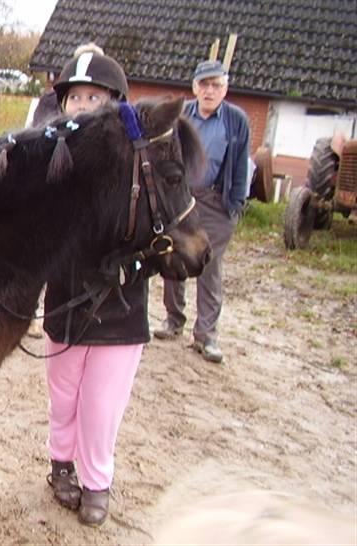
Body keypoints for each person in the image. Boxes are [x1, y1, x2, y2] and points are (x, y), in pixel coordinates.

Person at [42, 43, 137, 527]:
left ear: (115, 102)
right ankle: (61, 465)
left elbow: (162, 232)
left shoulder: (139, 166)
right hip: (66, 300)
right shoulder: (47, 162)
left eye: (93, 97)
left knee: (101, 404)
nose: (82, 107)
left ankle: (97, 481)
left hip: (120, 305)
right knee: (64, 396)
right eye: (74, 98)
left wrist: (130, 262)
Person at [153, 60, 251, 364]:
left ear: (225, 87)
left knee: (208, 263)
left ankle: (206, 334)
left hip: (215, 201)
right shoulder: (181, 115)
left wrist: (234, 205)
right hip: (182, 198)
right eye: (204, 85)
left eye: (216, 85)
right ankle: (174, 319)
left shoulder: (236, 120)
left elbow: (241, 164)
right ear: (195, 87)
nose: (209, 91)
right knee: (173, 256)